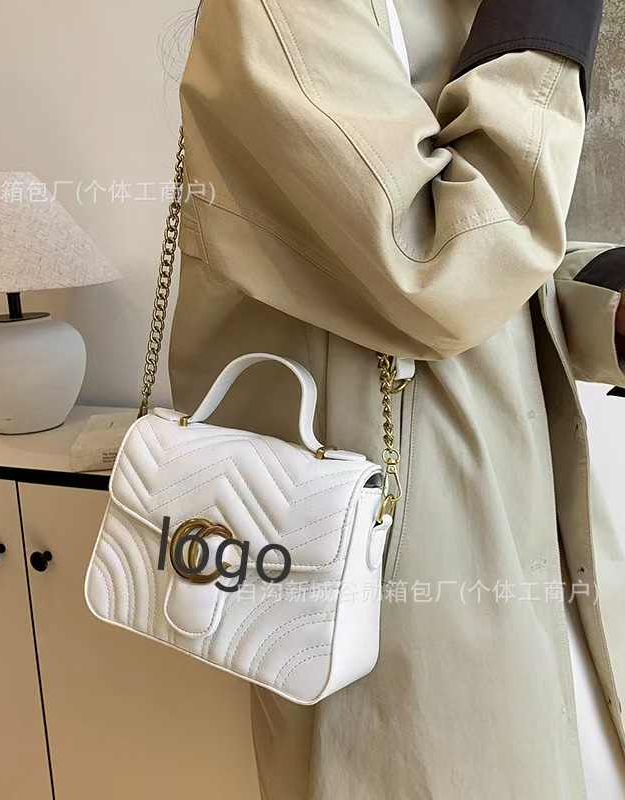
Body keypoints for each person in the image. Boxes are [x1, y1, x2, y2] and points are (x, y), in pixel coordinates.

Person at [166, 0, 625, 797]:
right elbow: (439, 265)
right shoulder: (279, 13)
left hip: (536, 549)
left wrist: (607, 312)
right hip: (398, 597)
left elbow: (489, 257)